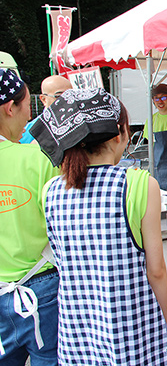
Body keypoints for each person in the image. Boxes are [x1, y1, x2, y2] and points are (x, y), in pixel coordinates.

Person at [30, 88, 167, 365]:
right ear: (120, 133)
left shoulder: (50, 190)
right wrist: (164, 323)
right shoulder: (140, 184)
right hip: (134, 332)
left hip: (77, 334)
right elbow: (156, 271)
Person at [0, 68, 60, 365]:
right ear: (10, 108)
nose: (28, 116)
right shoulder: (38, 159)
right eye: (26, 106)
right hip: (41, 289)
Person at [20, 75, 72, 144]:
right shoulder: (31, 131)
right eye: (59, 96)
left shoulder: (82, 122)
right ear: (44, 99)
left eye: (70, 95)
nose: (66, 100)